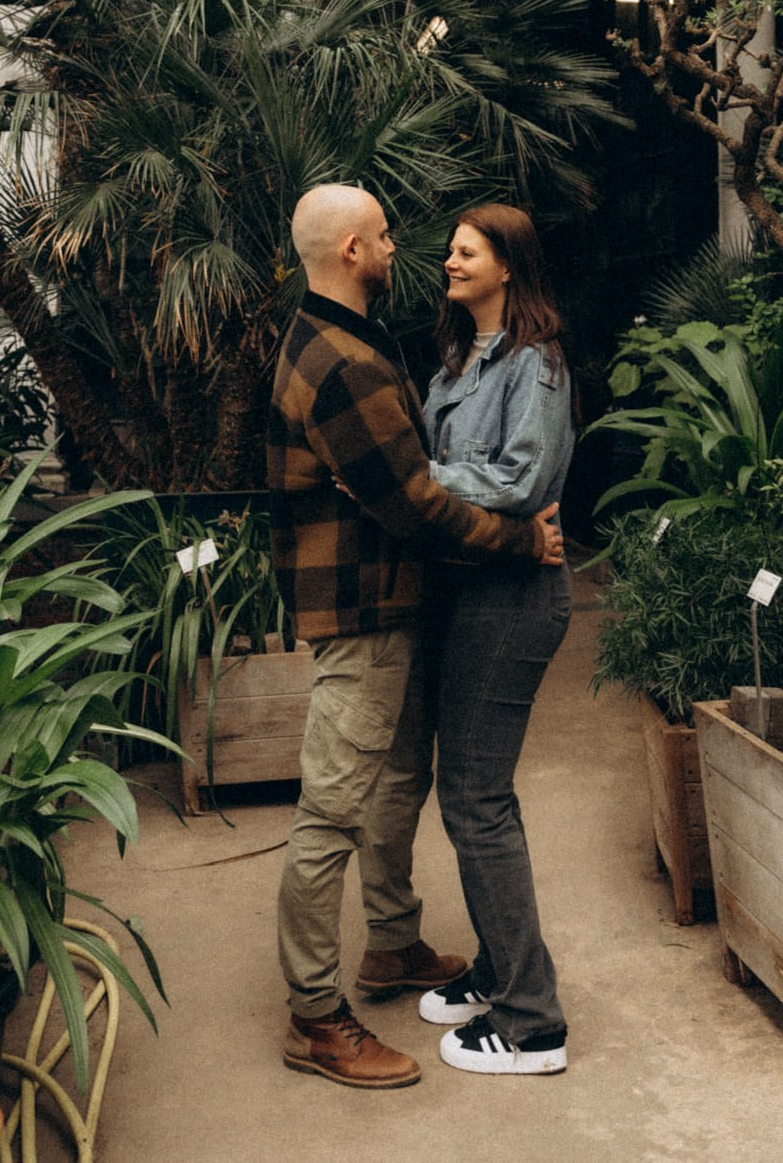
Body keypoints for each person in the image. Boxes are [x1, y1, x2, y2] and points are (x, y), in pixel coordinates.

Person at [268, 184, 563, 1091]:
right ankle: (315, 1016)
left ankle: (396, 946)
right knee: (333, 810)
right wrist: (521, 537)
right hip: (364, 611)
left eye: (465, 248)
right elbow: (418, 501)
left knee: (411, 783)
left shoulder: (361, 344)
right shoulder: (351, 362)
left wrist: (424, 478)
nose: (414, 251)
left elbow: (466, 477)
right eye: (388, 235)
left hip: (407, 603)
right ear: (353, 250)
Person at [414, 204, 576, 1076]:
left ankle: (530, 1023)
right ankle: (498, 968)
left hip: (514, 598)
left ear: (508, 265)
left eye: (466, 251)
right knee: (469, 795)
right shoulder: (457, 361)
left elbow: (519, 480)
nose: (449, 261)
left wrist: (417, 478)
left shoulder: (535, 364)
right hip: (471, 590)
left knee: (476, 800)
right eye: (450, 249)